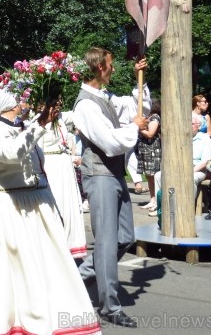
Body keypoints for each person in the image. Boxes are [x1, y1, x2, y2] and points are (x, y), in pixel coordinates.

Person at [0, 88, 100, 335]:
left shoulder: (21, 127)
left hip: (37, 204)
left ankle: (54, 313)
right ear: (12, 105)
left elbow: (36, 162)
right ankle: (20, 318)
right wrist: (41, 122)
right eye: (21, 101)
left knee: (49, 263)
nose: (25, 104)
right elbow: (12, 153)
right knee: (20, 267)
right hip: (13, 206)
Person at [73, 48, 148, 328]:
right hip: (100, 174)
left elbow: (138, 108)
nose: (113, 69)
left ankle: (81, 275)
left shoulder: (106, 98)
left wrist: (139, 76)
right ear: (99, 67)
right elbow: (109, 141)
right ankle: (109, 306)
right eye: (111, 65)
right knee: (105, 241)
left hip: (114, 174)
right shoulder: (85, 105)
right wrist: (134, 127)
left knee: (124, 237)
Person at [35, 96, 87, 258]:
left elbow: (80, 111)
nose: (58, 107)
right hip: (50, 166)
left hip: (64, 167)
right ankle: (52, 247)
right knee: (55, 203)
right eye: (54, 104)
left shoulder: (62, 119)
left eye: (59, 104)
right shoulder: (38, 121)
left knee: (67, 204)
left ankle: (69, 244)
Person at [136, 101, 161, 213]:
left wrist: (139, 129)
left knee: (153, 175)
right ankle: (152, 199)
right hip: (145, 150)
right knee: (148, 176)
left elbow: (151, 133)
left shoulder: (155, 117)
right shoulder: (147, 117)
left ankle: (157, 201)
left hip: (152, 150)